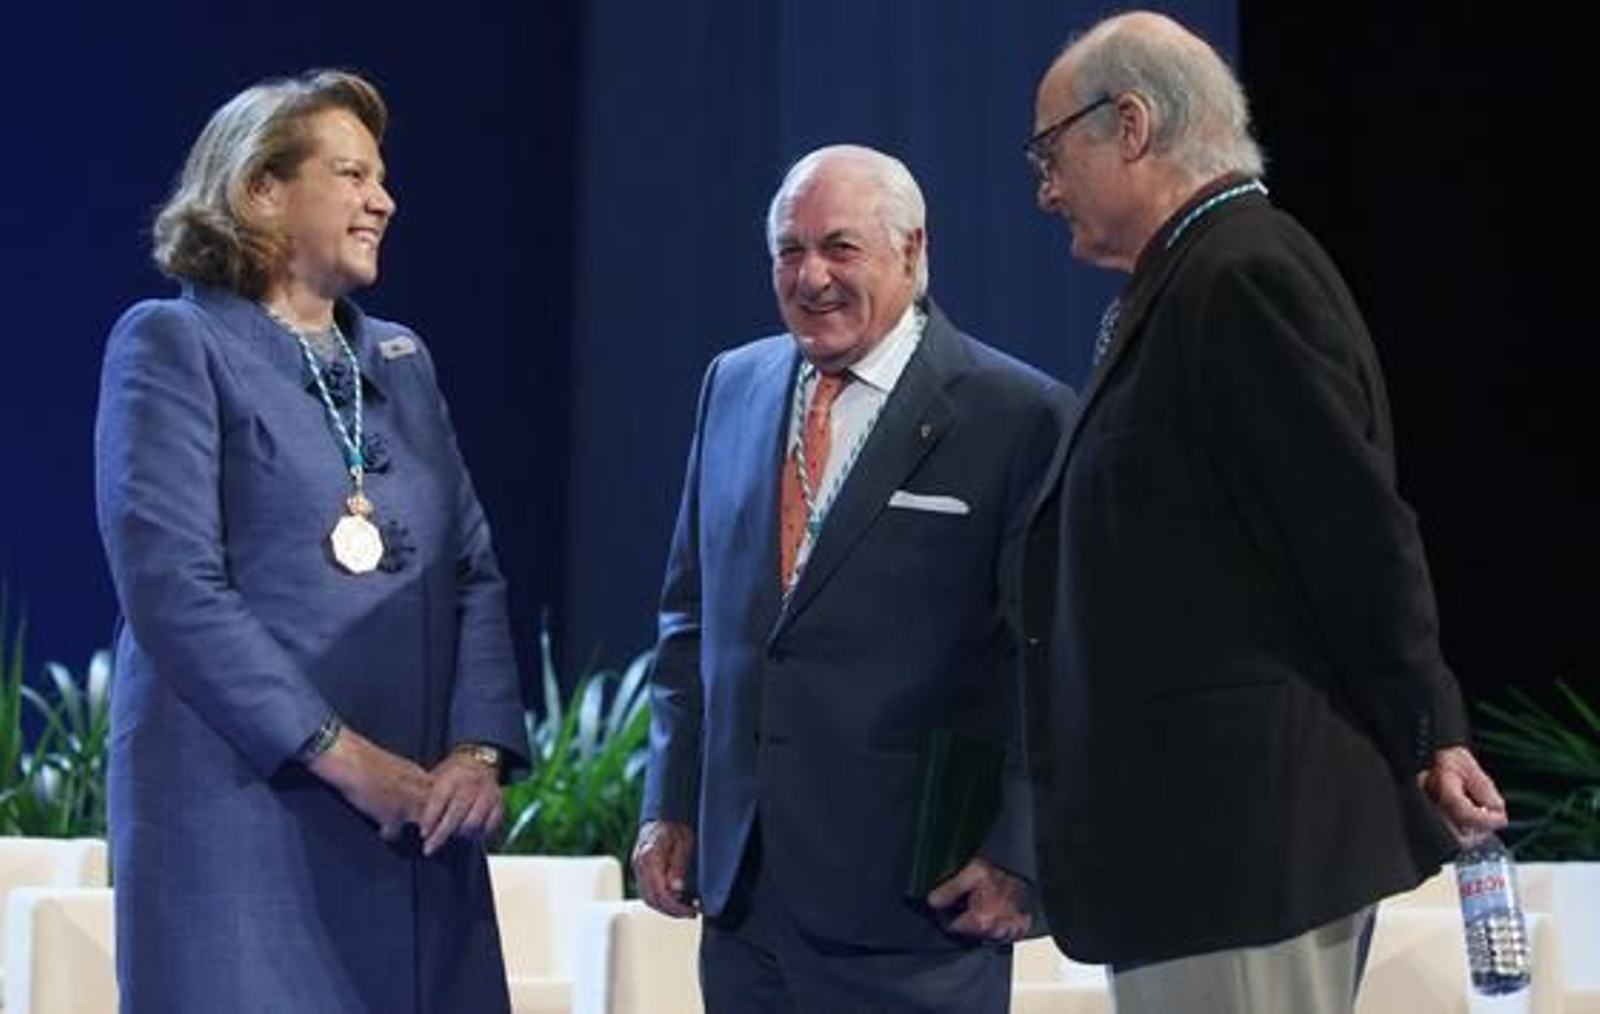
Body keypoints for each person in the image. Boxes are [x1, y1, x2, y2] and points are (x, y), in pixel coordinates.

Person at [1020, 11, 1509, 1013]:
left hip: (1241, 848)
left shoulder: (1240, 277)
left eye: (1051, 149)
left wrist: (1428, 726)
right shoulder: (1194, 279)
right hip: (1196, 856)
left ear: (1131, 123)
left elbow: (1353, 530)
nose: (1044, 186)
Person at [93, 69, 524, 1012]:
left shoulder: (403, 363)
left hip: (414, 825)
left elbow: (472, 570)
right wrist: (344, 758)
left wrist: (478, 753)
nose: (384, 199)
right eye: (352, 174)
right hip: (243, 815)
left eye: (382, 177)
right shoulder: (174, 344)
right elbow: (173, 588)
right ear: (261, 190)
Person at [632, 144, 1071, 1011]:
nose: (812, 277)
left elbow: (1048, 658)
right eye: (790, 252)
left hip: (918, 908)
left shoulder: (1017, 415)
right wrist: (670, 802)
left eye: (841, 247)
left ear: (912, 251)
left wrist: (1020, 850)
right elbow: (690, 622)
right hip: (743, 903)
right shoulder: (734, 384)